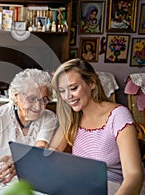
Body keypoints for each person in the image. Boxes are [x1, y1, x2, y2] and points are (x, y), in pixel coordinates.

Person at [50, 58, 143, 194]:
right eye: (62, 91)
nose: (67, 96)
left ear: (92, 83)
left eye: (73, 88)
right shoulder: (73, 117)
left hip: (112, 188)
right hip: (79, 186)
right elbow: (52, 151)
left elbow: (134, 176)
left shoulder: (118, 116)